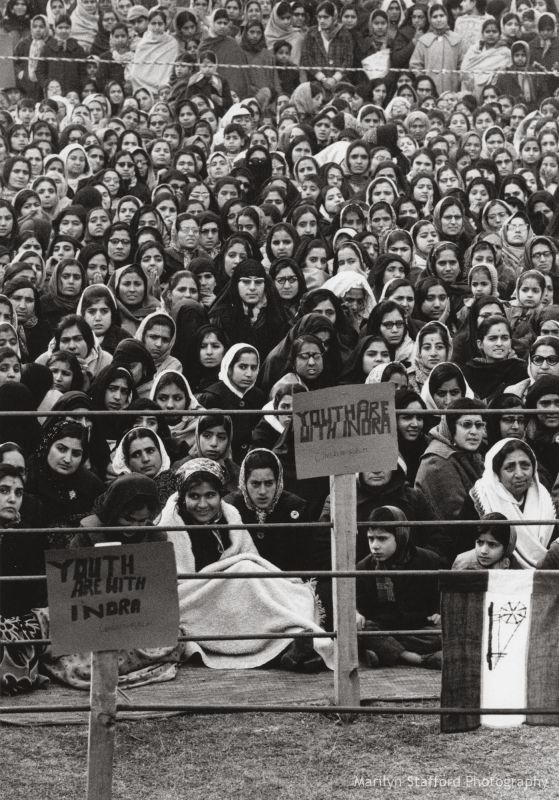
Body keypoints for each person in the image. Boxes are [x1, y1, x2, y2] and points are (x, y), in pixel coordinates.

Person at [160, 458, 333, 671]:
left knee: (271, 586)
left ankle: (295, 643)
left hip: (235, 600)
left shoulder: (230, 516)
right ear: (182, 497)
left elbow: (250, 556)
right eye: (194, 496)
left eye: (210, 495)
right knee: (245, 572)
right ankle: (289, 649)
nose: (203, 505)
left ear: (219, 496)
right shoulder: (170, 526)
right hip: (197, 603)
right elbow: (173, 587)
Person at [355, 505, 443, 669]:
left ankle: (385, 653)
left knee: (445, 630)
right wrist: (357, 613)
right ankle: (415, 658)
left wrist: (439, 611)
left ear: (400, 535)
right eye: (370, 538)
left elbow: (441, 594)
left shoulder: (428, 560)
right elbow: (359, 605)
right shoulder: (363, 567)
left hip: (418, 628)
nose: (375, 546)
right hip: (382, 628)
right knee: (361, 629)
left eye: (382, 539)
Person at [470, 438, 556, 568]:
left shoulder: (544, 499)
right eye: (510, 468)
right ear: (497, 472)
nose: (519, 474)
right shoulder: (482, 497)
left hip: (542, 578)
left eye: (525, 465)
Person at [225, 448, 311, 572]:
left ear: (278, 482)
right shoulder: (230, 507)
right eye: (255, 484)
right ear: (244, 483)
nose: (263, 492)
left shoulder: (295, 508)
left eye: (269, 483)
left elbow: (305, 560)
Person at [452, 512, 518, 570]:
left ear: (507, 547)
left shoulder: (515, 565)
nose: (483, 551)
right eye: (480, 542)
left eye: (492, 544)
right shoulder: (463, 563)